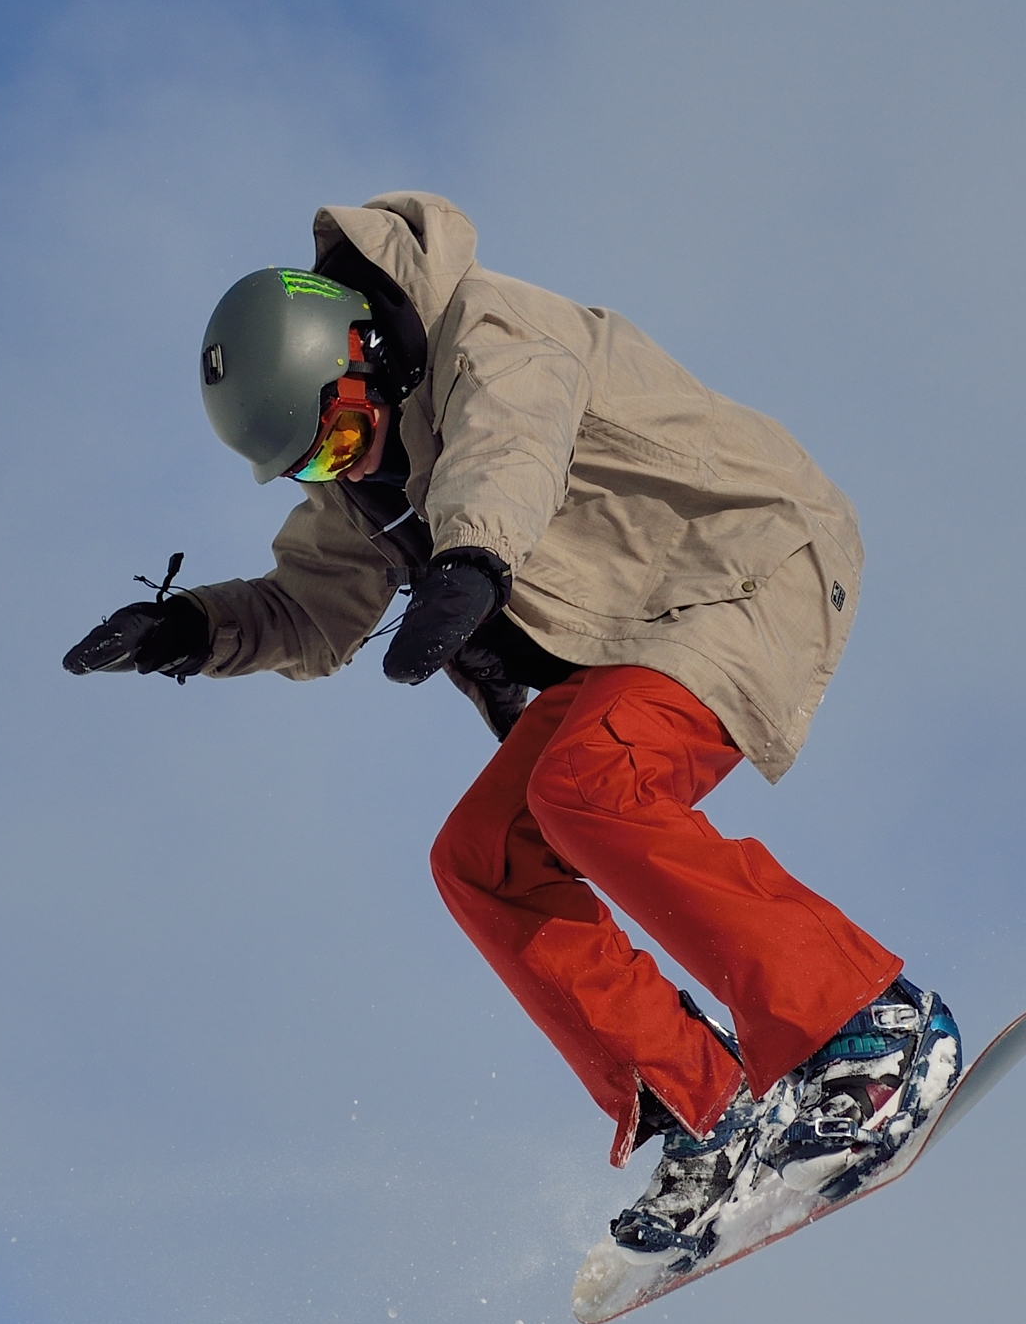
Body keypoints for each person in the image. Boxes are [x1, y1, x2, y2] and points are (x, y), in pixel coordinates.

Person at [63, 193, 957, 1261]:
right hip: (641, 633)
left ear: (366, 348)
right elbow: (311, 605)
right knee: (479, 858)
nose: (346, 462)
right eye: (316, 458)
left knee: (589, 788)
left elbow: (509, 449)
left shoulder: (493, 331)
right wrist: (192, 630)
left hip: (750, 565)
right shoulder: (366, 484)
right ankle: (705, 1107)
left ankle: (865, 1028)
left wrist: (471, 559)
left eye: (345, 427)